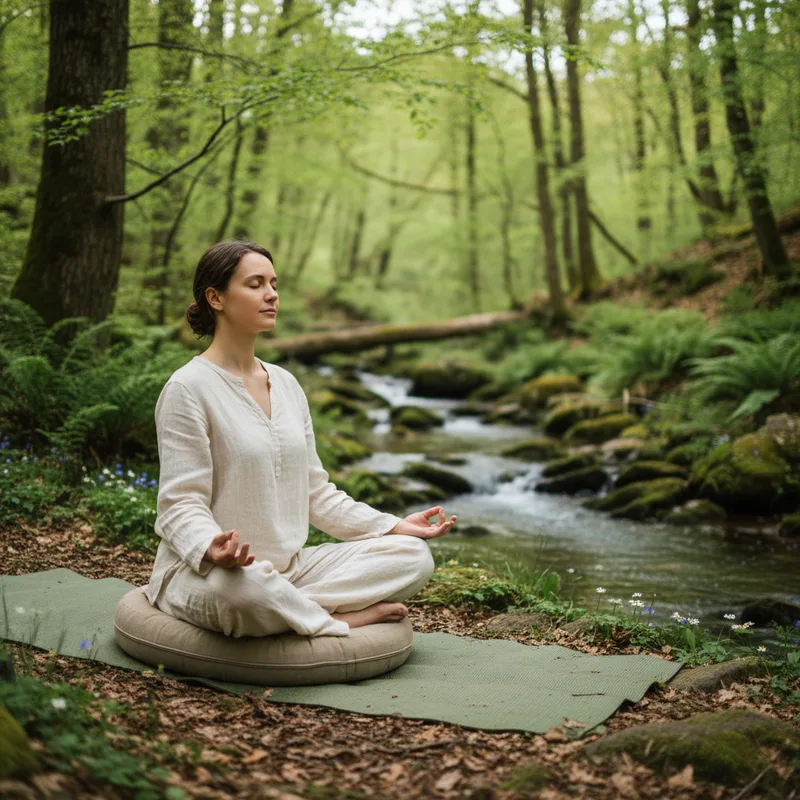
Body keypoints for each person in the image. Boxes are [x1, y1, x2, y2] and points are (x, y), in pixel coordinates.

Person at [142, 240, 458, 639]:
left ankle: (292, 607)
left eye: (273, 283)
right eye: (255, 284)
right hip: (210, 573)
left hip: (291, 570)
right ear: (215, 297)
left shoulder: (287, 385)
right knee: (244, 593)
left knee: (414, 557)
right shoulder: (188, 388)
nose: (271, 294)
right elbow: (178, 503)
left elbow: (315, 493)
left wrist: (392, 526)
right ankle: (334, 617)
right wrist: (210, 547)